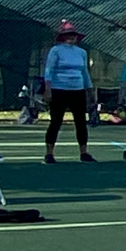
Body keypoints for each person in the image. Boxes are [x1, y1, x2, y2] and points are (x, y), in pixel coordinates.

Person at [42, 20, 98, 164]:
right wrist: (48, 89)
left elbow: (85, 72)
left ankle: (84, 152)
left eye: (73, 35)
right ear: (62, 36)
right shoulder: (56, 50)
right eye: (67, 35)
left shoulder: (81, 52)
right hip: (59, 89)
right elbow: (49, 70)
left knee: (80, 121)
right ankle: (49, 153)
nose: (70, 37)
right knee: (56, 121)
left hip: (77, 90)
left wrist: (90, 90)